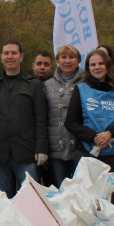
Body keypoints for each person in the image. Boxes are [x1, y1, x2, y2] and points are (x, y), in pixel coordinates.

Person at [0, 40, 47, 198]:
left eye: (14, 53)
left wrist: (42, 148)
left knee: (31, 199)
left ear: (21, 57)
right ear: (1, 57)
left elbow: (40, 119)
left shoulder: (33, 85)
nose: (10, 56)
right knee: (3, 201)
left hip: (26, 153)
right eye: (6, 53)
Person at [65, 49, 114, 175]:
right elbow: (70, 122)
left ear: (108, 66)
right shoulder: (81, 89)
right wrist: (94, 137)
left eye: (101, 64)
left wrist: (110, 134)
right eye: (93, 65)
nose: (97, 67)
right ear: (88, 68)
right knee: (88, 194)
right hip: (87, 152)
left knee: (113, 194)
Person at [44, 45, 84, 188]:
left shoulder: (87, 83)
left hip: (80, 150)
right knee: (61, 191)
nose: (68, 61)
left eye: (72, 57)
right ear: (57, 61)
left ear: (79, 60)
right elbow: (43, 118)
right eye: (64, 57)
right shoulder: (48, 85)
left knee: (81, 192)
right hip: (56, 151)